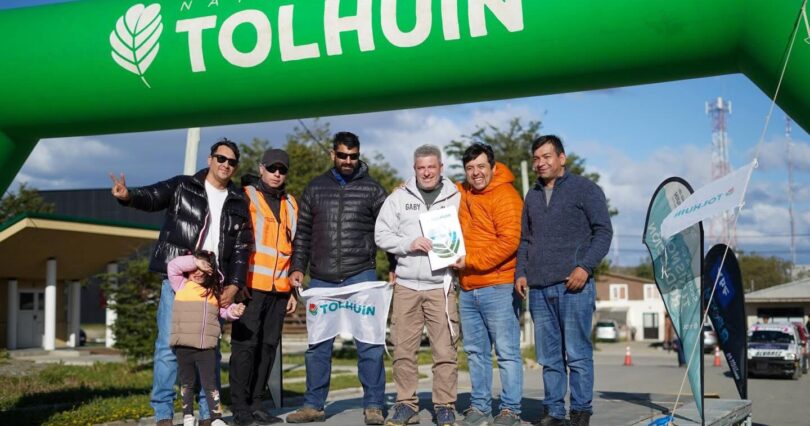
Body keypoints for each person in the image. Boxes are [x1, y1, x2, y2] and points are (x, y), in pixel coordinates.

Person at [110, 139, 252, 426]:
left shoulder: (238, 201)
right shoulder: (183, 186)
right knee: (168, 347)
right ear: (210, 159)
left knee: (209, 348)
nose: (226, 165)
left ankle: (208, 414)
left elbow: (241, 249)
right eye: (221, 158)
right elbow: (152, 197)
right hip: (179, 281)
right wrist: (128, 196)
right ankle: (164, 413)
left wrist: (234, 285)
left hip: (213, 285)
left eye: (232, 162)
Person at [285, 131, 388, 425]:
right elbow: (303, 234)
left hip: (362, 275)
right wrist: (297, 267)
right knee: (318, 345)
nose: (347, 161)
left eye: (353, 156)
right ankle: (313, 406)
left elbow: (389, 230)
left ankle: (374, 405)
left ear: (358, 156)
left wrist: (394, 265)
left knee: (369, 343)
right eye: (342, 155)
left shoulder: (373, 189)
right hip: (322, 278)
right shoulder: (315, 188)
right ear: (332, 154)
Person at [515, 135, 613, 426]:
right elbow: (526, 240)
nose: (540, 163)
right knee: (549, 357)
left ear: (562, 158)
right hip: (539, 289)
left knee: (577, 353)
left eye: (547, 156)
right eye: (536, 158)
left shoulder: (585, 189)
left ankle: (580, 411)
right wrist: (521, 272)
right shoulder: (532, 195)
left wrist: (585, 266)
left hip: (574, 286)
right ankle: (554, 411)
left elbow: (603, 232)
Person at [374, 145, 461, 426]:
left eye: (431, 167)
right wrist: (407, 243)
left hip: (441, 286)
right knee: (402, 349)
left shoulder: (457, 196)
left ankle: (445, 406)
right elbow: (381, 234)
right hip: (407, 285)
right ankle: (406, 404)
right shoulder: (399, 197)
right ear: (414, 169)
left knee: (445, 350)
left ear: (440, 167)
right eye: (421, 167)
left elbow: (469, 232)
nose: (426, 172)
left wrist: (462, 256)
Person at [452, 143, 524, 426]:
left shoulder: (506, 195)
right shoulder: (462, 191)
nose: (476, 173)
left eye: (481, 166)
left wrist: (470, 261)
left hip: (498, 286)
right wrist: (406, 187)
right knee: (475, 353)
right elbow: (432, 185)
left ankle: (510, 409)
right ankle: (480, 407)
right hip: (468, 288)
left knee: (506, 353)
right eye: (470, 168)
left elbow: (510, 241)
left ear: (493, 167)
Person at [228, 148, 299, 426]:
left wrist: (292, 290)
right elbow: (233, 241)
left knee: (268, 347)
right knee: (245, 347)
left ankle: (257, 404)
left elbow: (295, 248)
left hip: (279, 290)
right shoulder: (245, 196)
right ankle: (240, 408)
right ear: (261, 168)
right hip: (249, 288)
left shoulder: (291, 203)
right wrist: (236, 283)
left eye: (282, 170)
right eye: (272, 168)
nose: (277, 174)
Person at [168, 251, 246, 426]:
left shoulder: (214, 292)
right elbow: (173, 266)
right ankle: (188, 417)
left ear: (211, 272)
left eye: (203, 270)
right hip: (184, 346)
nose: (198, 272)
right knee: (187, 383)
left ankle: (216, 418)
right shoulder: (181, 285)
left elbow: (224, 311)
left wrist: (234, 311)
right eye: (195, 268)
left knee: (210, 384)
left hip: (207, 348)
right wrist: (196, 261)